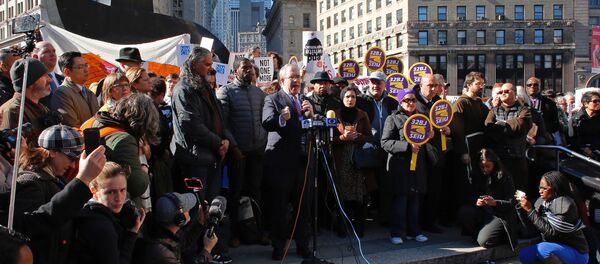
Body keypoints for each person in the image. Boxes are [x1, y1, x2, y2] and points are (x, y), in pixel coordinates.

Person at [14, 125, 106, 264]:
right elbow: (35, 224)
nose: (72, 165)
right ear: (52, 152)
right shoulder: (30, 182)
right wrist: (82, 180)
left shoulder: (56, 179)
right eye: (69, 158)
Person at [262, 63, 314, 260]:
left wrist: (311, 114)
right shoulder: (273, 99)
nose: (296, 81)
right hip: (281, 162)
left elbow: (310, 126)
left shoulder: (304, 100)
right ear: (283, 80)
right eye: (292, 77)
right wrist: (281, 119)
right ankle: (279, 246)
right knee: (280, 207)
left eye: (298, 78)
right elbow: (267, 122)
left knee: (303, 206)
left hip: (303, 160)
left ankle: (303, 245)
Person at [170, 46, 233, 202]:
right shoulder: (184, 89)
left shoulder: (205, 87)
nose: (210, 68)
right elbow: (191, 125)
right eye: (206, 64)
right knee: (197, 209)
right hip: (195, 158)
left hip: (211, 156)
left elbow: (219, 116)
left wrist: (225, 139)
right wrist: (219, 142)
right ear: (193, 65)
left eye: (211, 64)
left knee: (211, 207)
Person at [216, 57, 267, 246]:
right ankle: (235, 234)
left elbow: (264, 119)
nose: (249, 71)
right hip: (238, 152)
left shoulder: (259, 93)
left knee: (256, 192)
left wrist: (262, 142)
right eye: (245, 68)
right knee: (236, 193)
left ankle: (258, 232)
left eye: (251, 69)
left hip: (256, 151)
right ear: (235, 71)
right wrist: (235, 147)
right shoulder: (226, 91)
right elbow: (223, 123)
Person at [83, 93, 159, 207]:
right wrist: (144, 168)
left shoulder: (97, 120)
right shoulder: (125, 140)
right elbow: (137, 186)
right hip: (112, 206)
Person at [381, 88, 433, 244]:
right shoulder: (393, 118)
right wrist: (407, 146)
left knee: (415, 201)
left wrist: (430, 136)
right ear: (400, 102)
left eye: (412, 100)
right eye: (406, 100)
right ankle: (396, 233)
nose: (410, 103)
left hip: (418, 166)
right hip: (400, 166)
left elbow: (425, 140)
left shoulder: (422, 117)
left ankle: (414, 231)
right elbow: (385, 142)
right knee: (400, 201)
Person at [72, 162, 145, 263]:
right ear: (94, 191)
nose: (119, 198)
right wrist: (131, 236)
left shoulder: (88, 214)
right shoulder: (102, 227)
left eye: (122, 190)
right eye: (111, 192)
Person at [517, 171, 589, 264]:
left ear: (555, 189)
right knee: (524, 255)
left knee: (543, 250)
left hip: (577, 253)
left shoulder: (565, 204)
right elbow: (531, 229)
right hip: (556, 248)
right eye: (540, 187)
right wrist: (523, 209)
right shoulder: (541, 202)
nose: (540, 191)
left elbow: (552, 232)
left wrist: (530, 210)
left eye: (544, 188)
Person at [356, 71, 398, 223]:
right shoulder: (361, 101)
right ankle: (364, 217)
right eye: (372, 82)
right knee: (367, 184)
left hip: (387, 149)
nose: (375, 86)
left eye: (378, 83)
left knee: (385, 184)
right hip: (367, 148)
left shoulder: (392, 102)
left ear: (384, 85)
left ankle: (384, 216)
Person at [332, 87, 373, 237]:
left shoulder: (362, 115)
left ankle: (359, 227)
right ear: (342, 98)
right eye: (347, 96)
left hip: (358, 161)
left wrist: (358, 136)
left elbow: (370, 137)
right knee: (343, 195)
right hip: (341, 161)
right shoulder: (335, 115)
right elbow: (328, 139)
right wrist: (343, 138)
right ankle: (343, 226)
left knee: (359, 195)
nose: (350, 99)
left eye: (353, 97)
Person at [457, 149, 517, 250]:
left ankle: (499, 234)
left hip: (500, 215)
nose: (485, 169)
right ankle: (479, 232)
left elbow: (511, 202)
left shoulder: (505, 177)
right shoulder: (476, 175)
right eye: (482, 167)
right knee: (465, 211)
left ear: (494, 164)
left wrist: (495, 203)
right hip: (483, 211)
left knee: (484, 241)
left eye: (488, 166)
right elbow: (467, 196)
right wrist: (476, 201)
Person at [413, 74, 449, 233]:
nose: (434, 89)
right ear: (421, 86)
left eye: (436, 85)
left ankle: (430, 221)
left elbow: (447, 123)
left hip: (436, 153)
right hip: (418, 153)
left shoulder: (439, 103)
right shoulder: (413, 102)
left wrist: (448, 130)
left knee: (435, 188)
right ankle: (417, 222)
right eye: (430, 86)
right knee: (420, 189)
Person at [451, 72, 489, 209]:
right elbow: (457, 130)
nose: (481, 87)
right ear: (468, 85)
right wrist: (463, 152)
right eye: (478, 84)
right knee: (467, 182)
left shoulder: (479, 102)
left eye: (482, 84)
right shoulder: (461, 103)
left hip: (478, 147)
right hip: (467, 148)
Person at [144, 192, 218, 264]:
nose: (189, 210)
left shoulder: (161, 232)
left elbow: (183, 243)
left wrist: (199, 222)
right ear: (180, 219)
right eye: (187, 209)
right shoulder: (165, 255)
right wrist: (207, 250)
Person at [485, 83, 532, 191]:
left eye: (506, 91)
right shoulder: (494, 111)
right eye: (501, 92)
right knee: (499, 190)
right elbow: (488, 127)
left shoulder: (524, 110)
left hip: (517, 158)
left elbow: (522, 124)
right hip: (499, 158)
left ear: (515, 93)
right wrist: (510, 127)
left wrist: (502, 125)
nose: (503, 93)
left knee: (519, 191)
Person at [0, 58, 51, 145]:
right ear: (30, 82)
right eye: (44, 76)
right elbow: (17, 152)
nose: (50, 80)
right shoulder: (13, 111)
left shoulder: (41, 107)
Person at [51, 51, 99, 127]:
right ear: (67, 72)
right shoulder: (62, 94)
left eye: (86, 65)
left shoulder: (89, 93)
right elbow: (71, 126)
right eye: (80, 67)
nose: (86, 70)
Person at [148, 79, 174, 199]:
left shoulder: (154, 108)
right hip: (156, 158)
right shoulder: (151, 109)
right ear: (162, 94)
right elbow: (155, 134)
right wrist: (162, 151)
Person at [525, 77, 560, 145]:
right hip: (525, 135)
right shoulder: (522, 102)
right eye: (529, 85)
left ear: (539, 87)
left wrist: (541, 128)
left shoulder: (549, 103)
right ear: (526, 87)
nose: (532, 86)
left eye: (535, 85)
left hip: (543, 135)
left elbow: (555, 123)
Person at [32, 41, 63, 107]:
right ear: (35, 57)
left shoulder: (63, 80)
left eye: (54, 51)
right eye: (46, 52)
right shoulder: (31, 83)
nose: (52, 54)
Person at [571, 91, 600, 158]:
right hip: (580, 155)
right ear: (585, 103)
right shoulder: (576, 119)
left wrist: (593, 148)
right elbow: (572, 139)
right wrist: (583, 149)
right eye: (595, 101)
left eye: (599, 100)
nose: (598, 103)